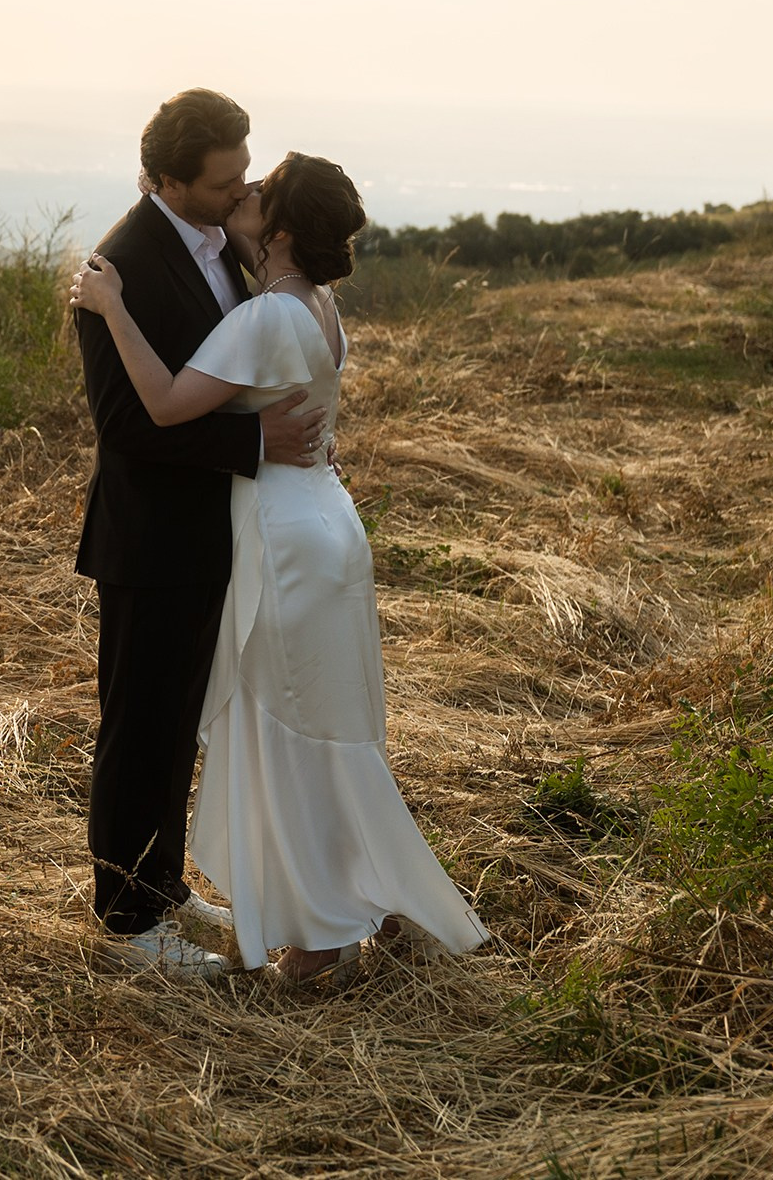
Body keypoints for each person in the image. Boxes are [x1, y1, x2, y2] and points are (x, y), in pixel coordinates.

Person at [72, 151, 490, 984]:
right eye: (237, 181)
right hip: (327, 522)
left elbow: (159, 404)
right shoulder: (323, 307)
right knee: (328, 727)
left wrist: (113, 308)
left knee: (288, 734)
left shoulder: (267, 315)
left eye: (258, 192)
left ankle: (317, 934)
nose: (245, 192)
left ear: (285, 231)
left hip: (285, 541)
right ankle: (356, 896)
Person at [75, 90, 327, 980]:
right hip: (149, 543)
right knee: (137, 729)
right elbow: (127, 426)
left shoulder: (228, 244)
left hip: (213, 536)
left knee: (179, 725)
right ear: (167, 180)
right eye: (223, 182)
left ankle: (164, 890)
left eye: (243, 174)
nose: (239, 190)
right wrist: (256, 442)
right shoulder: (121, 266)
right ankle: (126, 920)